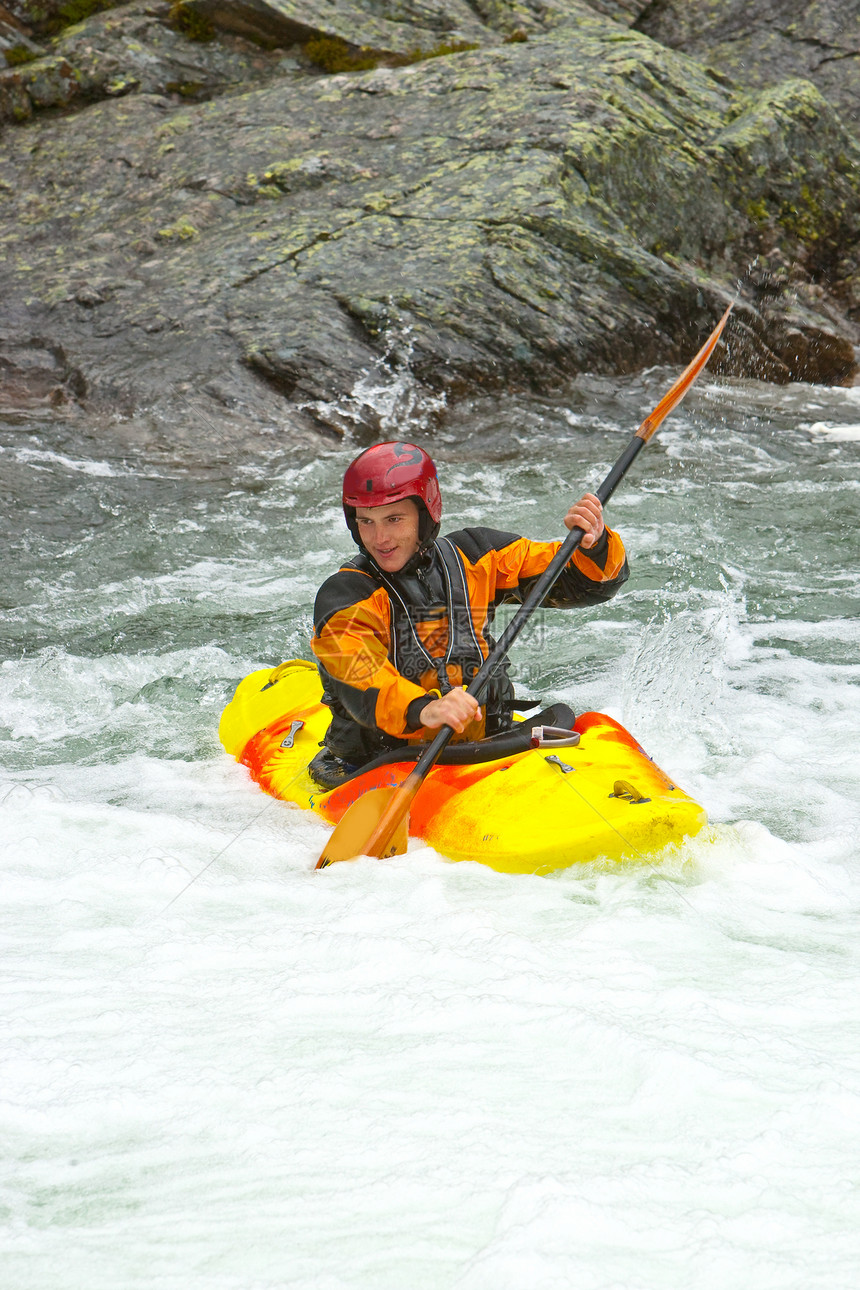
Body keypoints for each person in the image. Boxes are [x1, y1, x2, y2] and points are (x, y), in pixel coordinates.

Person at [309, 441, 629, 787]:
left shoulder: (476, 555)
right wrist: (423, 709)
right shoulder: (345, 596)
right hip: (382, 762)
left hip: (486, 745)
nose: (379, 537)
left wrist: (593, 546)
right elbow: (360, 674)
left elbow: (581, 583)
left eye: (394, 518)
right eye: (366, 522)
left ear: (425, 512)